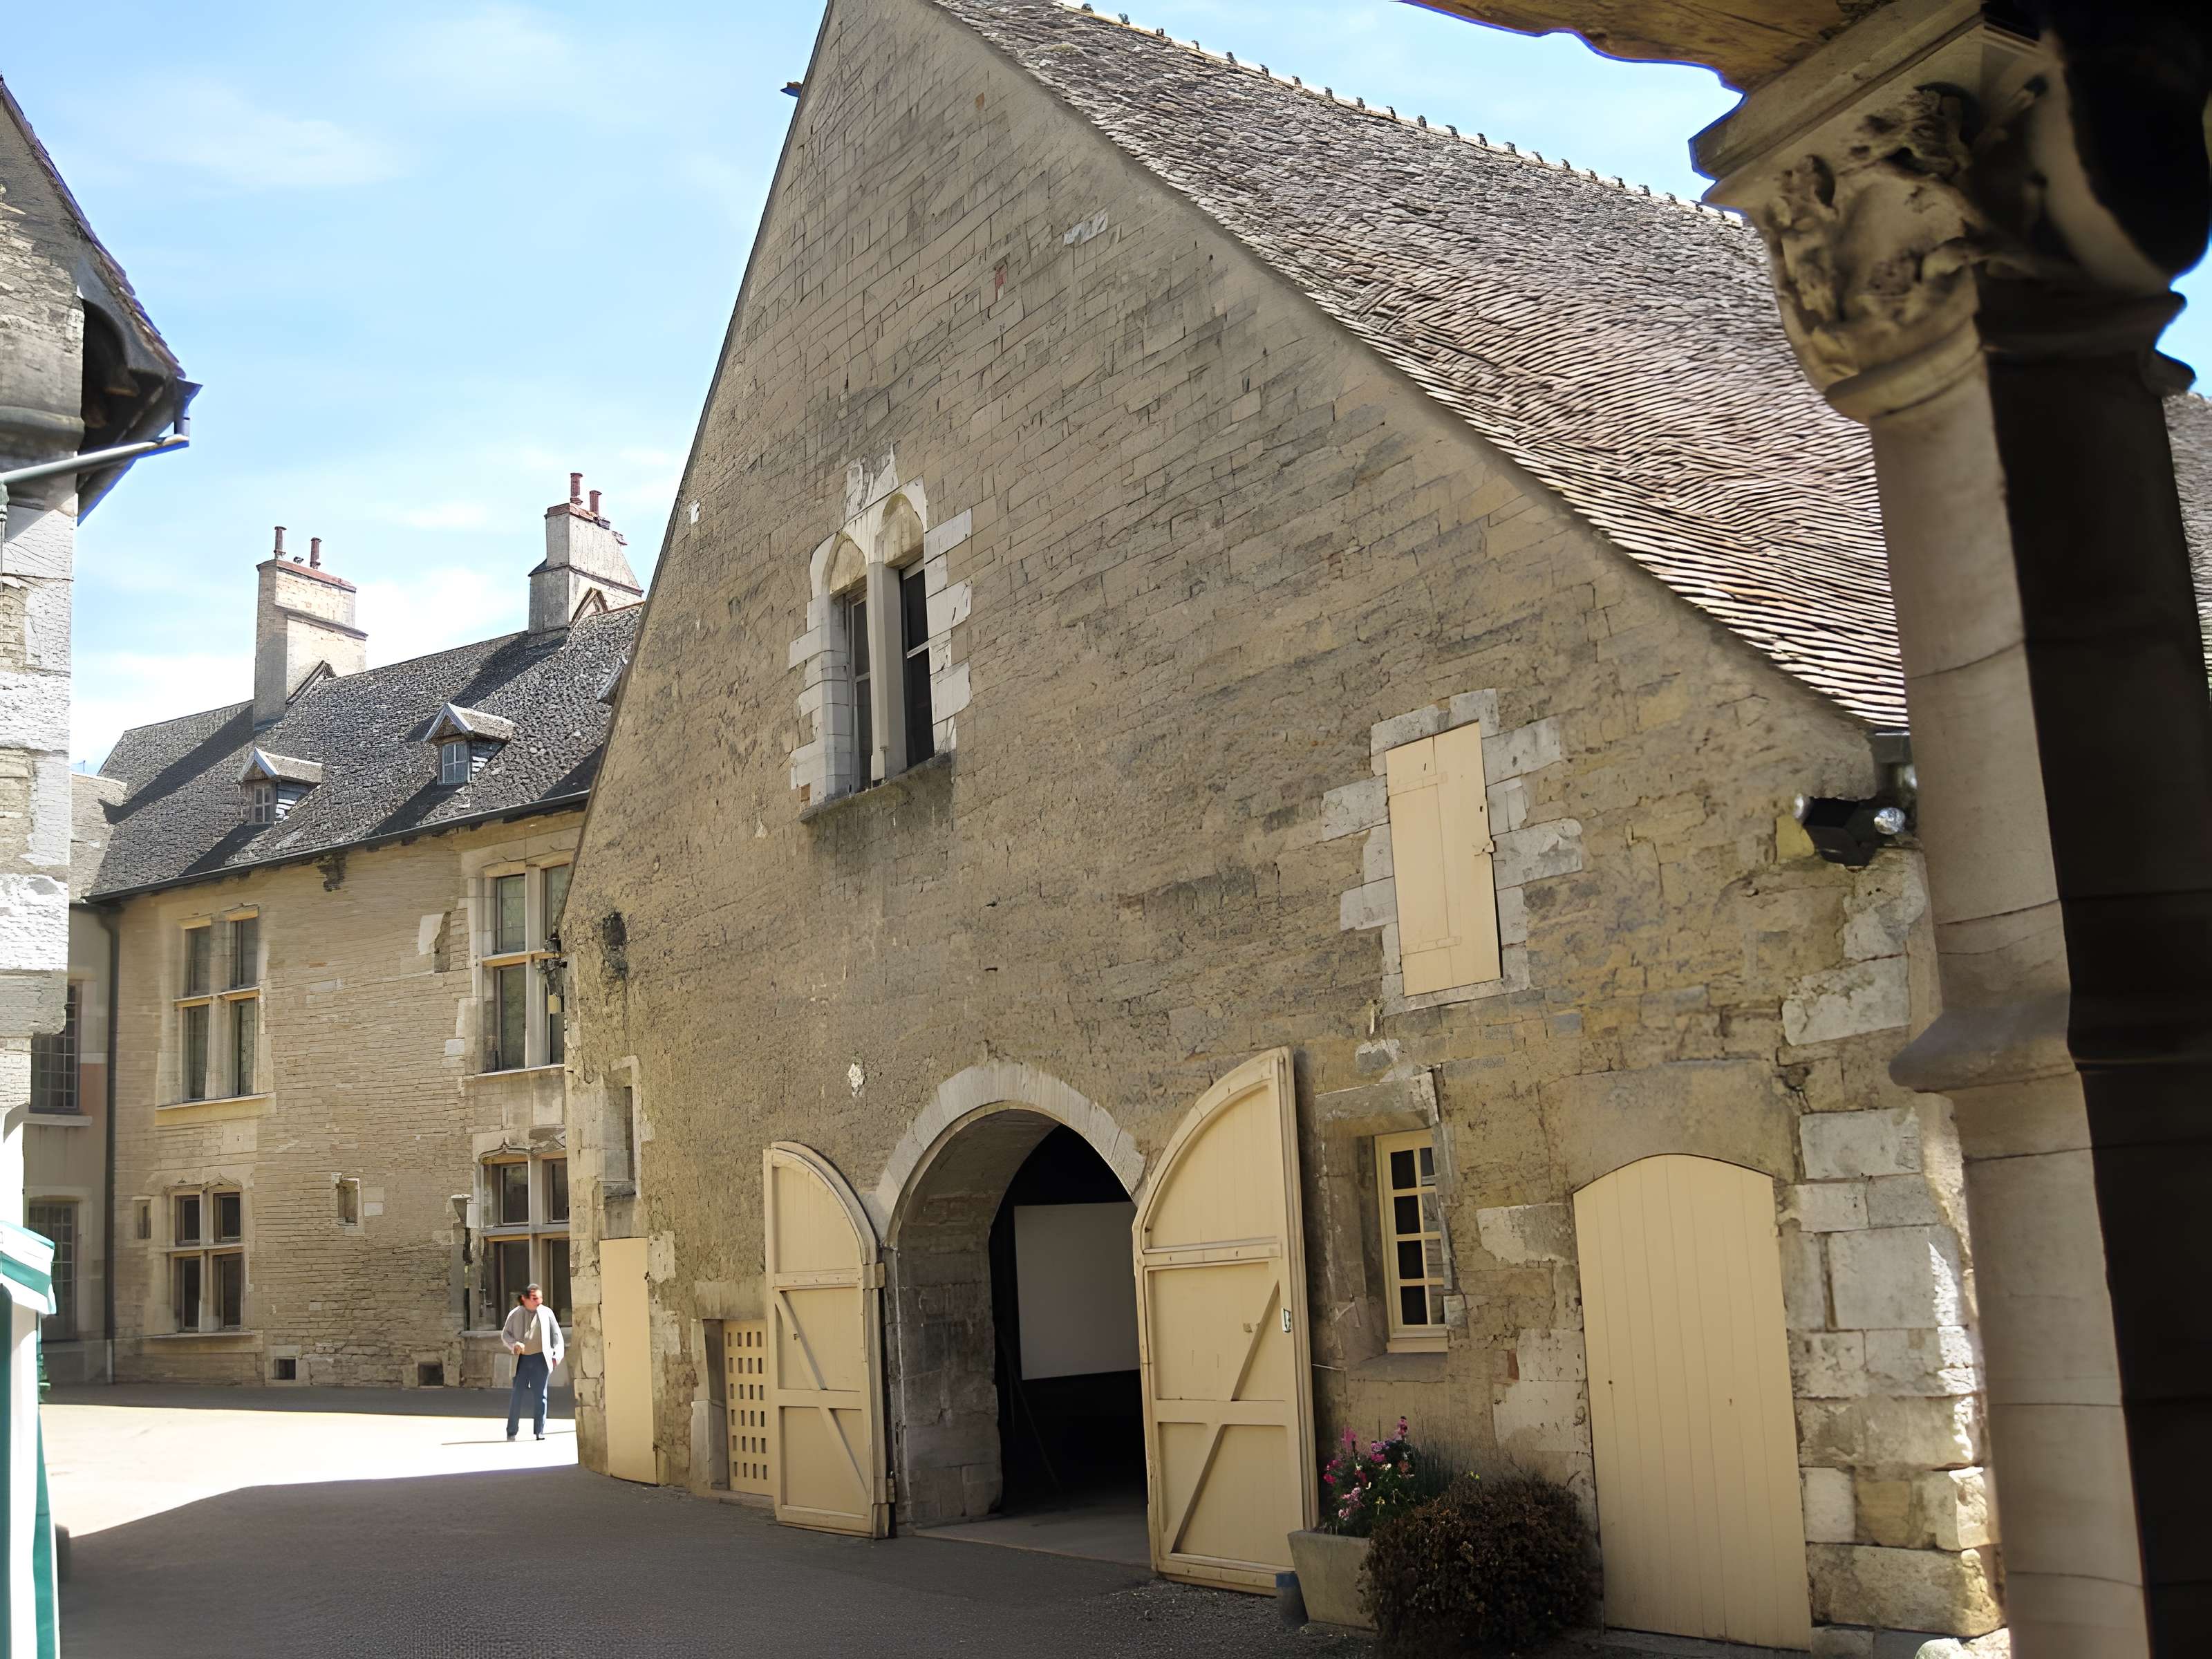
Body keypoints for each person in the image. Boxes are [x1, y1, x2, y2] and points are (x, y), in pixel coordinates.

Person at [503, 1282, 564, 1442]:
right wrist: (514, 1345)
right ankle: (512, 1431)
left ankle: (539, 1431)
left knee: (541, 1397)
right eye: (535, 1298)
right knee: (517, 1396)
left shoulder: (547, 1313)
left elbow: (557, 1337)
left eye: (540, 1298)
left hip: (540, 1359)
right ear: (524, 1299)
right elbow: (506, 1334)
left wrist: (556, 1356)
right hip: (521, 1360)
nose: (539, 1301)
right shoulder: (515, 1314)